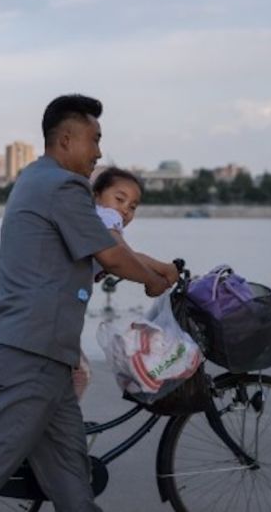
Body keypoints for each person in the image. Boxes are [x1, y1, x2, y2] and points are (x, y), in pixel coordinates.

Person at [0, 95, 171, 511]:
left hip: (46, 352)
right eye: (94, 140)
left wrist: (154, 271)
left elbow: (104, 251)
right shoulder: (64, 186)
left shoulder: (34, 177)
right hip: (34, 350)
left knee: (69, 476)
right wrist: (154, 282)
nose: (98, 152)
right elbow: (111, 253)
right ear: (66, 140)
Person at [73, 166, 180, 399]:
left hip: (61, 311)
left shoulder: (94, 220)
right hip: (59, 313)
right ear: (96, 196)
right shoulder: (104, 216)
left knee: (75, 374)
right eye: (119, 199)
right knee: (80, 374)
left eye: (132, 207)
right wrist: (159, 274)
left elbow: (126, 256)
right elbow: (121, 256)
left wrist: (161, 268)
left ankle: (59, 428)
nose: (124, 210)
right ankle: (62, 432)